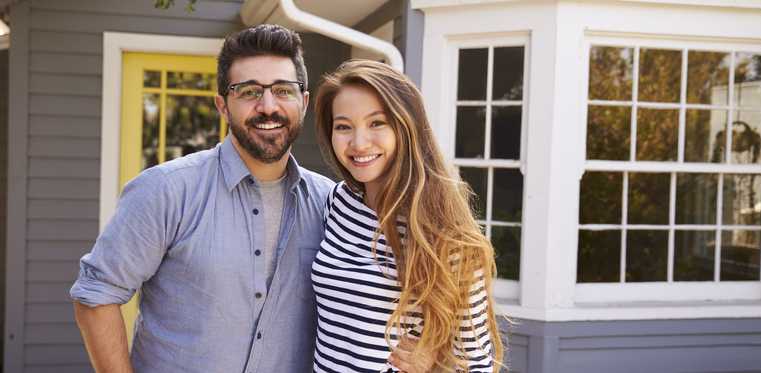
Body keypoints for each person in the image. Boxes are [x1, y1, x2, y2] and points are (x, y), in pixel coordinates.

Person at [69, 24, 333, 373]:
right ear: (223, 106)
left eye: (283, 90)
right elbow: (95, 296)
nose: (268, 106)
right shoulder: (165, 190)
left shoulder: (330, 203)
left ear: (304, 101)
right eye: (249, 91)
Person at [312, 60, 504, 373]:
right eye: (343, 126)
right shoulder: (338, 203)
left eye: (376, 123)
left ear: (406, 127)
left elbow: (478, 362)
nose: (358, 143)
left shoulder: (445, 232)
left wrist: (437, 366)